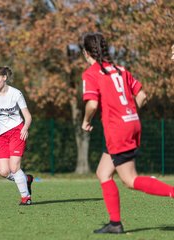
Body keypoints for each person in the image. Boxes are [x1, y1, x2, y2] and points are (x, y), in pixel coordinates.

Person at [80, 32, 174, 234]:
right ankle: (115, 224)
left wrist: (86, 121)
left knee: (130, 180)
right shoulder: (121, 70)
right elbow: (142, 95)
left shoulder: (92, 73)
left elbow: (92, 104)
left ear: (86, 52)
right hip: (131, 123)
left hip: (117, 129)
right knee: (103, 173)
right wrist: (129, 113)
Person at [0, 66, 34, 205]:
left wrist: (25, 128)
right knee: (4, 171)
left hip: (17, 131)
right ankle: (25, 179)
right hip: (1, 135)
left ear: (4, 78)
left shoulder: (16, 94)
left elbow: (27, 116)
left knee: (14, 167)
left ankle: (25, 197)